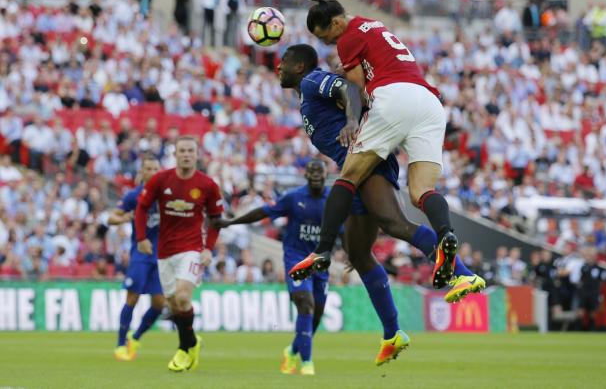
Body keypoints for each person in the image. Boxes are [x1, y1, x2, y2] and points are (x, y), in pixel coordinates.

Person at [275, 44, 485, 365]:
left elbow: (348, 89)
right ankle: (392, 334)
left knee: (394, 223)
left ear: (300, 65)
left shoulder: (312, 81)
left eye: (284, 62)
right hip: (354, 171)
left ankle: (463, 273)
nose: (278, 68)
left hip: (368, 159)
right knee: (358, 253)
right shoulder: (307, 95)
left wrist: (349, 121)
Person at [289, 0, 472, 298]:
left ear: (336, 22)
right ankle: (446, 235)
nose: (330, 44)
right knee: (422, 192)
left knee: (348, 177)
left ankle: (322, 251)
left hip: (393, 98)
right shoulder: (374, 25)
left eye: (327, 36)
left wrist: (350, 117)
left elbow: (358, 88)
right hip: (428, 101)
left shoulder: (347, 38)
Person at [216, 160, 330, 375]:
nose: (316, 175)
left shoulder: (334, 199)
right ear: (305, 175)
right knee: (305, 304)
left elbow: (345, 228)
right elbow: (263, 212)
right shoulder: (293, 197)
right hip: (297, 258)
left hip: (320, 260)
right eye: (312, 171)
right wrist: (232, 222)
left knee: (316, 315)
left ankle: (292, 351)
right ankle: (307, 364)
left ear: (326, 175)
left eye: (320, 172)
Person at [135, 136, 223, 372]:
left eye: (190, 151)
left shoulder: (207, 184)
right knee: (174, 304)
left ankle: (184, 350)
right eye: (182, 150)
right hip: (165, 252)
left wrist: (208, 248)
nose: (186, 154)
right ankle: (192, 342)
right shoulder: (160, 180)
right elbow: (142, 207)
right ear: (175, 154)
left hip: (192, 250)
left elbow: (216, 220)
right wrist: (141, 237)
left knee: (183, 297)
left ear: (196, 155)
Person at [109, 155, 164, 361]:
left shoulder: (166, 196)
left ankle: (136, 336)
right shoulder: (134, 195)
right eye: (148, 168)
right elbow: (111, 217)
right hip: (141, 254)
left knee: (159, 304)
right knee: (132, 298)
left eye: (155, 168)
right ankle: (120, 344)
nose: (152, 172)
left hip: (161, 256)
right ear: (142, 172)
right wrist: (125, 217)